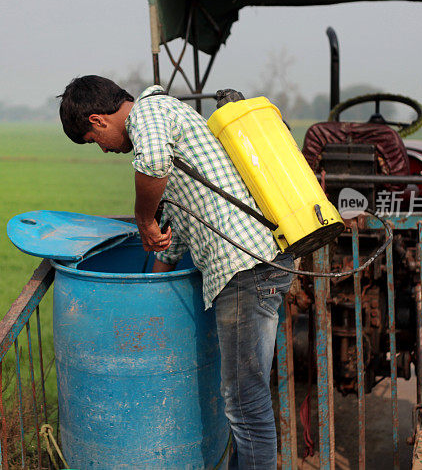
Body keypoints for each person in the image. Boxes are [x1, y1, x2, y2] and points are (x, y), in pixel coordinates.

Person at [58, 75, 294, 469]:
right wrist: (148, 280)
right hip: (253, 267)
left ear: (98, 121)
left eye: (93, 140)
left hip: (244, 268)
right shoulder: (168, 125)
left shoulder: (152, 111)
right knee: (242, 398)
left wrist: (142, 218)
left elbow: (151, 164)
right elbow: (176, 239)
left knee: (245, 402)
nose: (102, 149)